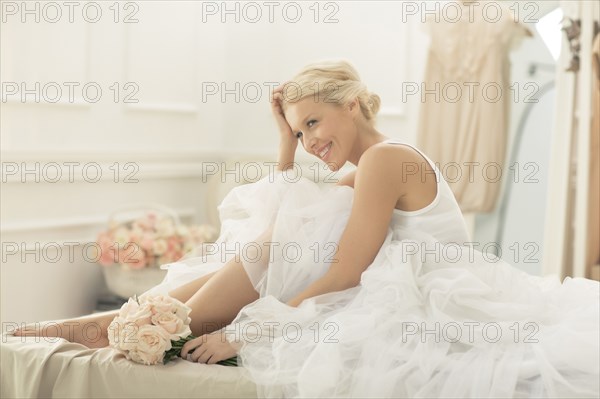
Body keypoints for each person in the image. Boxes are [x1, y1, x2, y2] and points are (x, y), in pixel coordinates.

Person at [13, 60, 600, 398]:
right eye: (300, 133)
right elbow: (285, 207)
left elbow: (346, 271)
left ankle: (119, 321)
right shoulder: (373, 162)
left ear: (353, 105)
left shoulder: (385, 159)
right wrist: (281, 137)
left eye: (315, 122)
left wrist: (249, 333)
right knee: (280, 237)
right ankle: (120, 321)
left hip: (424, 296)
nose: (311, 142)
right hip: (398, 280)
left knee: (278, 245)